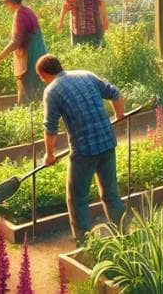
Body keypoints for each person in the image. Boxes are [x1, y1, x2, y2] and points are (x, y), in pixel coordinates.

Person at [37, 54, 126, 243]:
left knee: (77, 198)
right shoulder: (86, 75)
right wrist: (119, 115)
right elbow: (115, 93)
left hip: (84, 150)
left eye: (41, 77)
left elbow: (50, 127)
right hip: (107, 142)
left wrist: (49, 155)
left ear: (44, 74)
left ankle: (84, 243)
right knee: (110, 193)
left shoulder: (52, 91)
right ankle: (123, 235)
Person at [0, 0, 47, 104]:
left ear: (10, 1)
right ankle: (36, 108)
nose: (5, 6)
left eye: (5, 3)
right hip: (39, 51)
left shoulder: (20, 15)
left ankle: (28, 111)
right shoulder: (27, 10)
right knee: (38, 85)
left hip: (31, 55)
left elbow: (15, 42)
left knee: (29, 87)